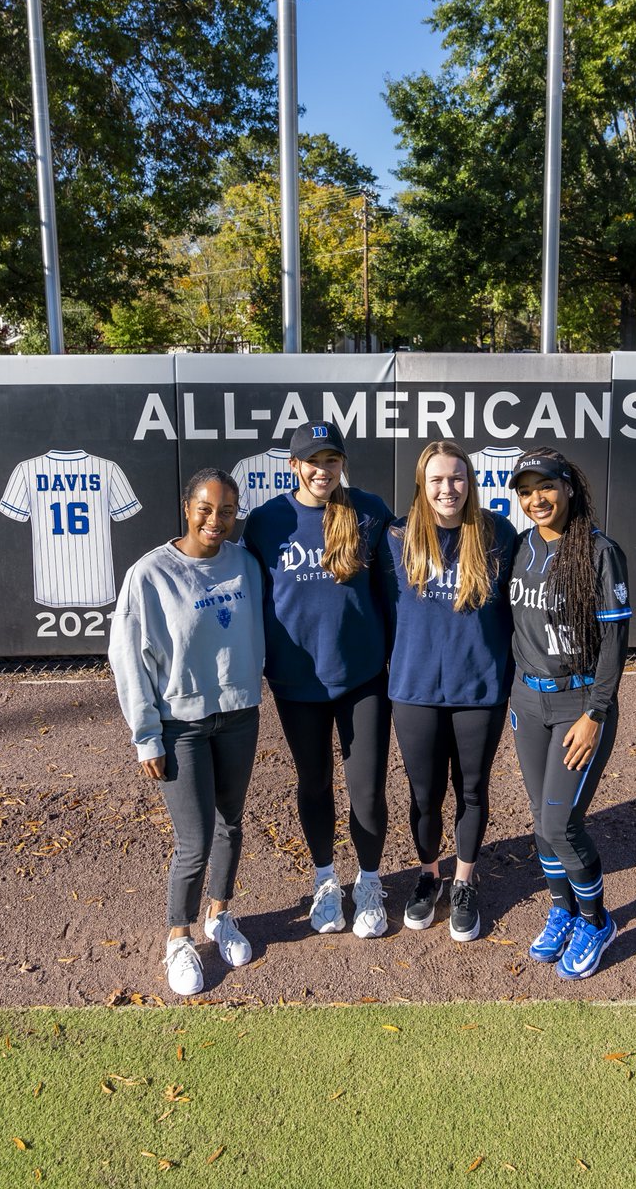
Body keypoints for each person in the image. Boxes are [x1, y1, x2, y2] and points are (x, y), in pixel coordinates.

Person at [109, 469, 264, 997]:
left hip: (240, 715)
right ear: (186, 506)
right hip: (181, 725)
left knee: (230, 825)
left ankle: (220, 915)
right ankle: (179, 937)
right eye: (205, 508)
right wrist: (146, 735)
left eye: (226, 511)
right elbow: (128, 659)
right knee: (194, 840)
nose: (214, 520)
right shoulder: (150, 574)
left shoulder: (246, 564)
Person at [243, 421, 393, 938]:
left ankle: (369, 882)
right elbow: (248, 598)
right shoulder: (267, 522)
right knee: (314, 783)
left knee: (368, 790)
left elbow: (398, 584)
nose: (322, 470)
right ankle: (326, 880)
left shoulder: (368, 511)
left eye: (332, 460)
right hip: (297, 681)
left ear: (341, 465)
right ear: (293, 466)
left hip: (363, 678)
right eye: (313, 460)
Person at [382, 440, 517, 941]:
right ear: (422, 483)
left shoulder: (497, 534)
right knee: (424, 795)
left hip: (479, 688)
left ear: (470, 483)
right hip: (414, 688)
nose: (448, 488)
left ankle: (463, 880)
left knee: (472, 790)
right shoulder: (397, 538)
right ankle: (427, 875)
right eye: (437, 479)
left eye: (457, 478)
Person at [508, 447, 631, 980]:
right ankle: (562, 910)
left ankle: (596, 919)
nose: (537, 498)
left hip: (579, 705)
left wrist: (596, 712)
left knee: (562, 822)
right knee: (541, 822)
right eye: (527, 489)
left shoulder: (600, 552)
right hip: (528, 702)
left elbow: (614, 641)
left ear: (570, 487)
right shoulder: (519, 548)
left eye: (547, 486)